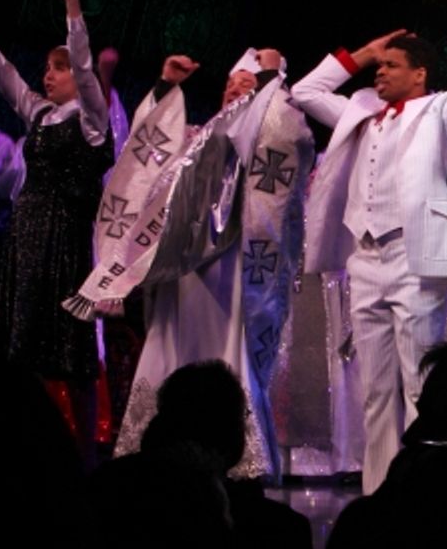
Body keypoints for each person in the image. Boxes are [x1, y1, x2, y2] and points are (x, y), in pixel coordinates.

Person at [291, 13, 447, 494]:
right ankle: (378, 494)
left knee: (420, 384)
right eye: (376, 67)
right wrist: (363, 51)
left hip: (413, 255)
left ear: (420, 73)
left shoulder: (440, 111)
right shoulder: (360, 112)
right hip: (363, 258)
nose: (377, 73)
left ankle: (425, 493)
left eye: (390, 65)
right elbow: (304, 92)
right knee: (375, 389)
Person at [93, 47, 313, 479]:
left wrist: (271, 78)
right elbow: (144, 153)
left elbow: (288, 138)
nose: (234, 91)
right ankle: (159, 440)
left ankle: (231, 452)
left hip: (229, 266)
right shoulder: (197, 136)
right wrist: (165, 87)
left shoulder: (254, 137)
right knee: (174, 344)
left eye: (247, 86)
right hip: (183, 270)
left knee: (221, 349)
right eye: (230, 85)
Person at [0, 0, 113, 460]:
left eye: (57, 70)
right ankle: (16, 445)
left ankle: (82, 456)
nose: (48, 76)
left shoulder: (92, 119)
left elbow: (82, 58)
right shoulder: (39, 115)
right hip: (26, 236)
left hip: (62, 239)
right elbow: (3, 69)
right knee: (18, 349)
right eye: (48, 69)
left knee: (69, 354)